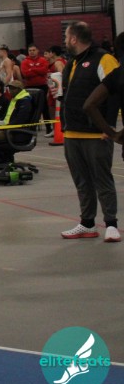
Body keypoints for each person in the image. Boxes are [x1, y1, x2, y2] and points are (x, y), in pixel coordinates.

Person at [59, 22, 119, 242]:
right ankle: (87, 223)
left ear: (74, 38)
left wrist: (108, 127)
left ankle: (111, 224)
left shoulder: (104, 59)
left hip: (96, 134)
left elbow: (115, 92)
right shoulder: (71, 63)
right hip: (72, 133)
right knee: (82, 182)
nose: (65, 41)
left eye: (66, 37)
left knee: (102, 180)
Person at [0, 79, 34, 166]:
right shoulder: (15, 100)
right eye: (9, 88)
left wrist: (5, 127)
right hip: (8, 128)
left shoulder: (24, 101)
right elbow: (5, 117)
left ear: (19, 89)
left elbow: (20, 120)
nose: (10, 90)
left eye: (13, 88)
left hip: (15, 132)